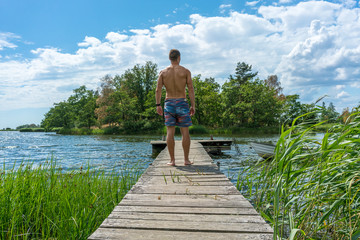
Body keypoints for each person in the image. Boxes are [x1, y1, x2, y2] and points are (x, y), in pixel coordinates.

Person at [155, 49, 195, 166]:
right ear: (179, 57)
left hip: (169, 103)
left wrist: (158, 105)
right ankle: (186, 160)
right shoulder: (185, 71)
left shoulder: (163, 73)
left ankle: (172, 161)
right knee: (185, 132)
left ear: (169, 58)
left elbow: (158, 90)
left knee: (170, 132)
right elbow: (191, 89)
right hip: (182, 102)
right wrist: (193, 105)